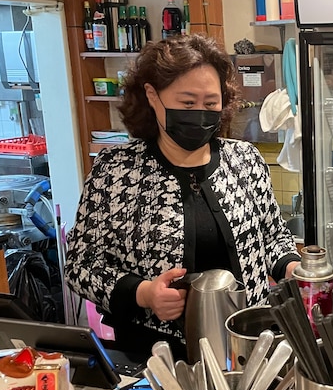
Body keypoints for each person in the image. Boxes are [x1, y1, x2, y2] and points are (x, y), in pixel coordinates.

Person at [65, 34, 301, 358]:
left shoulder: (245, 160)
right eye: (187, 104)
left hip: (248, 345)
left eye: (210, 103)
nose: (200, 114)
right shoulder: (116, 171)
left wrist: (291, 267)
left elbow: (273, 239)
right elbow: (81, 265)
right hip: (157, 354)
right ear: (152, 95)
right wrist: (144, 294)